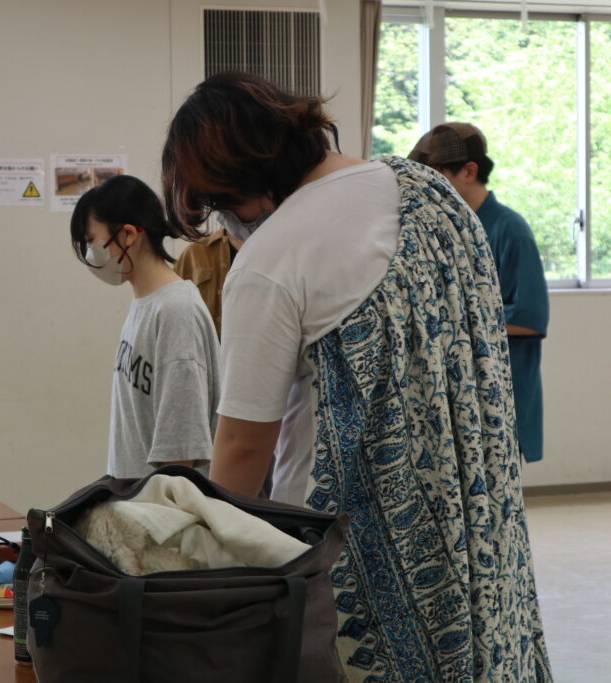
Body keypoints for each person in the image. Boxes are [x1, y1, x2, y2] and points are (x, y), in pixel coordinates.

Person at [162, 72, 551, 682]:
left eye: (222, 203)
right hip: (479, 528)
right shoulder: (431, 190)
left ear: (245, 179)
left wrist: (209, 572)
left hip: (344, 561)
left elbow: (242, 444)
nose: (226, 223)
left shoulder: (271, 258)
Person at [409, 123, 549, 463]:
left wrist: (453, 322)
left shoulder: (510, 230)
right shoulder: (439, 228)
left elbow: (531, 317)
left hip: (499, 398)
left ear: (469, 171)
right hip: (452, 401)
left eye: (436, 175)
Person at [69, 174, 219, 479]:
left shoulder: (176, 310)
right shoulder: (146, 303)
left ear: (127, 235)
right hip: (135, 498)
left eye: (91, 240)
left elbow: (180, 454)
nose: (89, 253)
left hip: (162, 505)